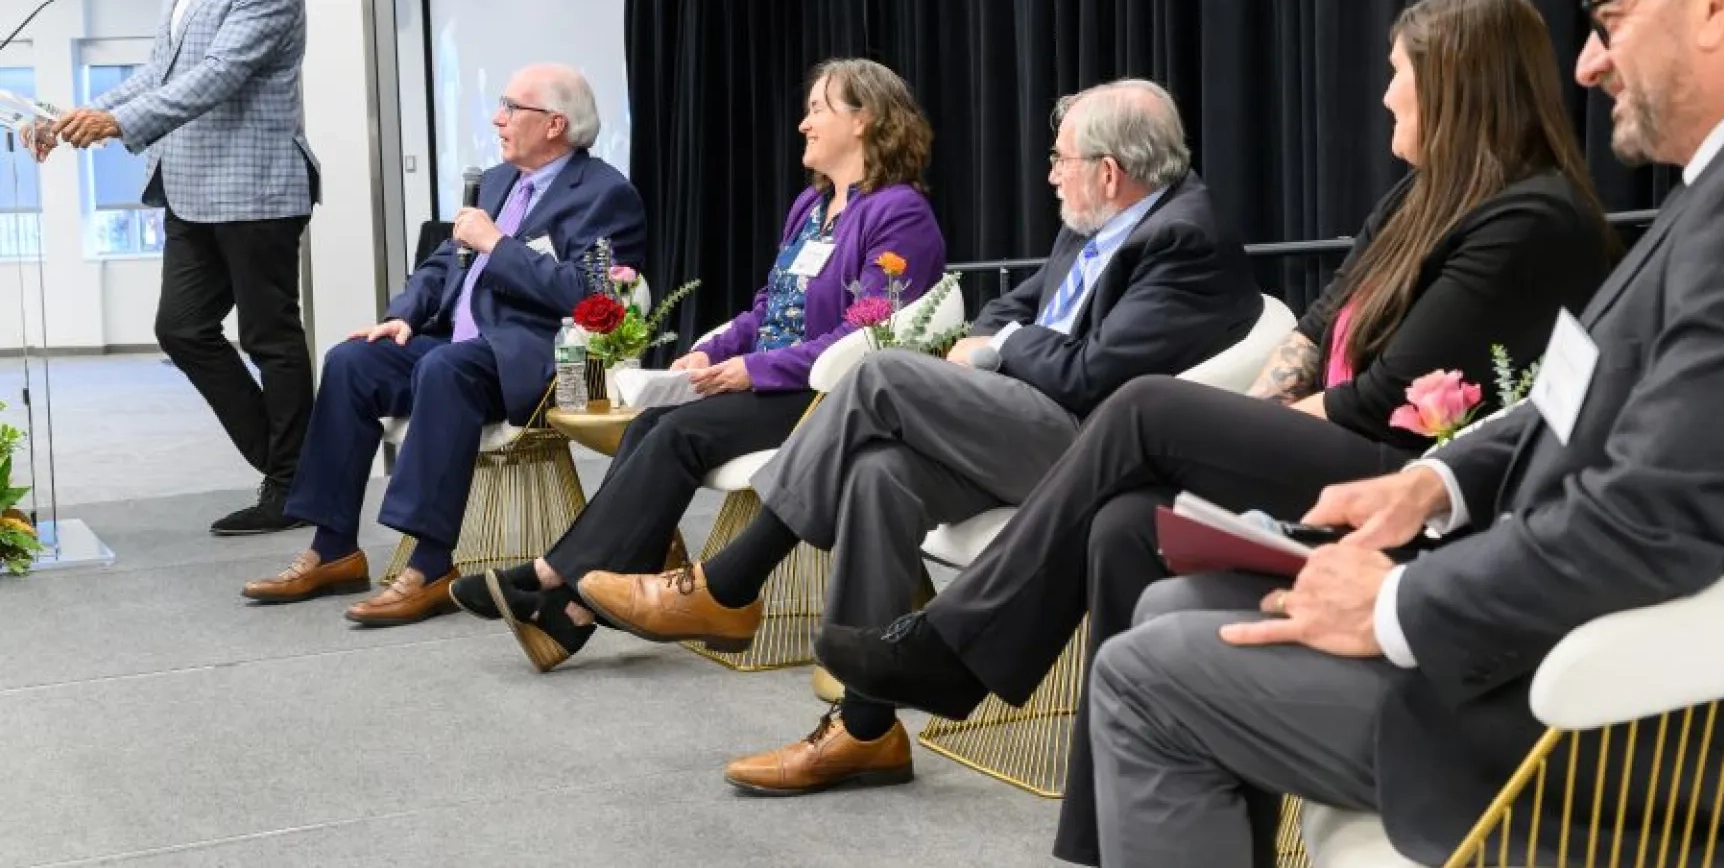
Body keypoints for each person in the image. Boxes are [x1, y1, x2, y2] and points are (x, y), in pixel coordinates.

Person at [1085, 0, 1724, 867]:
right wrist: (1434, 482)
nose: (1587, 65)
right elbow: (1586, 390)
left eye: (1609, 20)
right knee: (1177, 602)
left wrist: (1392, 604)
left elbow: (1651, 528)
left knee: (1146, 674)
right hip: (1569, 643)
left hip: (1622, 723)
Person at [815, 0, 1617, 864]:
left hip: (1398, 483)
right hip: (1336, 442)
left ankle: (956, 644)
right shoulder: (1418, 199)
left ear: (1457, 81)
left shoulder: (1531, 220)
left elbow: (1381, 397)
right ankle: (1096, 841)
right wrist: (1261, 409)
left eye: (1400, 73)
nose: (1387, 92)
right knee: (1123, 526)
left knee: (1148, 407)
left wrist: (1246, 422)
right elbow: (1316, 326)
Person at [574, 78, 1263, 796]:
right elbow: (1011, 302)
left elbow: (1090, 373)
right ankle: (862, 729)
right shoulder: (1093, 220)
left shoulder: (1182, 239)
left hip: (1089, 449)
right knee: (879, 472)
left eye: (1060, 159)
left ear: (1109, 171)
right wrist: (1002, 336)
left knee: (882, 377)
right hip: (1018, 419)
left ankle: (731, 581)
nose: (1051, 172)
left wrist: (998, 347)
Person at [447, 58, 947, 671]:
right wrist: (717, 348)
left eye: (819, 109)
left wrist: (755, 371)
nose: (803, 125)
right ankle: (573, 613)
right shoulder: (810, 209)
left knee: (681, 433)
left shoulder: (900, 215)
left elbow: (870, 333)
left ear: (864, 120)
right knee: (653, 423)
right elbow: (768, 309)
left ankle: (552, 575)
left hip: (829, 397)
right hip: (770, 382)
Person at [240, 64, 647, 627]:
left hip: (524, 355)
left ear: (555, 124)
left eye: (511, 107)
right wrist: (402, 316)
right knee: (350, 361)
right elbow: (441, 264)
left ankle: (429, 564)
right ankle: (333, 546)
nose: (497, 117)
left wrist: (497, 244)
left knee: (446, 370)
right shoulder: (502, 181)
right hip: (448, 342)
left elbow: (588, 294)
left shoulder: (604, 194)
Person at [26, 0, 320, 536]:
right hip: (192, 186)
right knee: (181, 328)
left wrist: (118, 123)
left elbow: (216, 75)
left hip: (256, 191)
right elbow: (162, 70)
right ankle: (298, 465)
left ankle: (290, 481)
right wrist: (77, 117)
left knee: (269, 337)